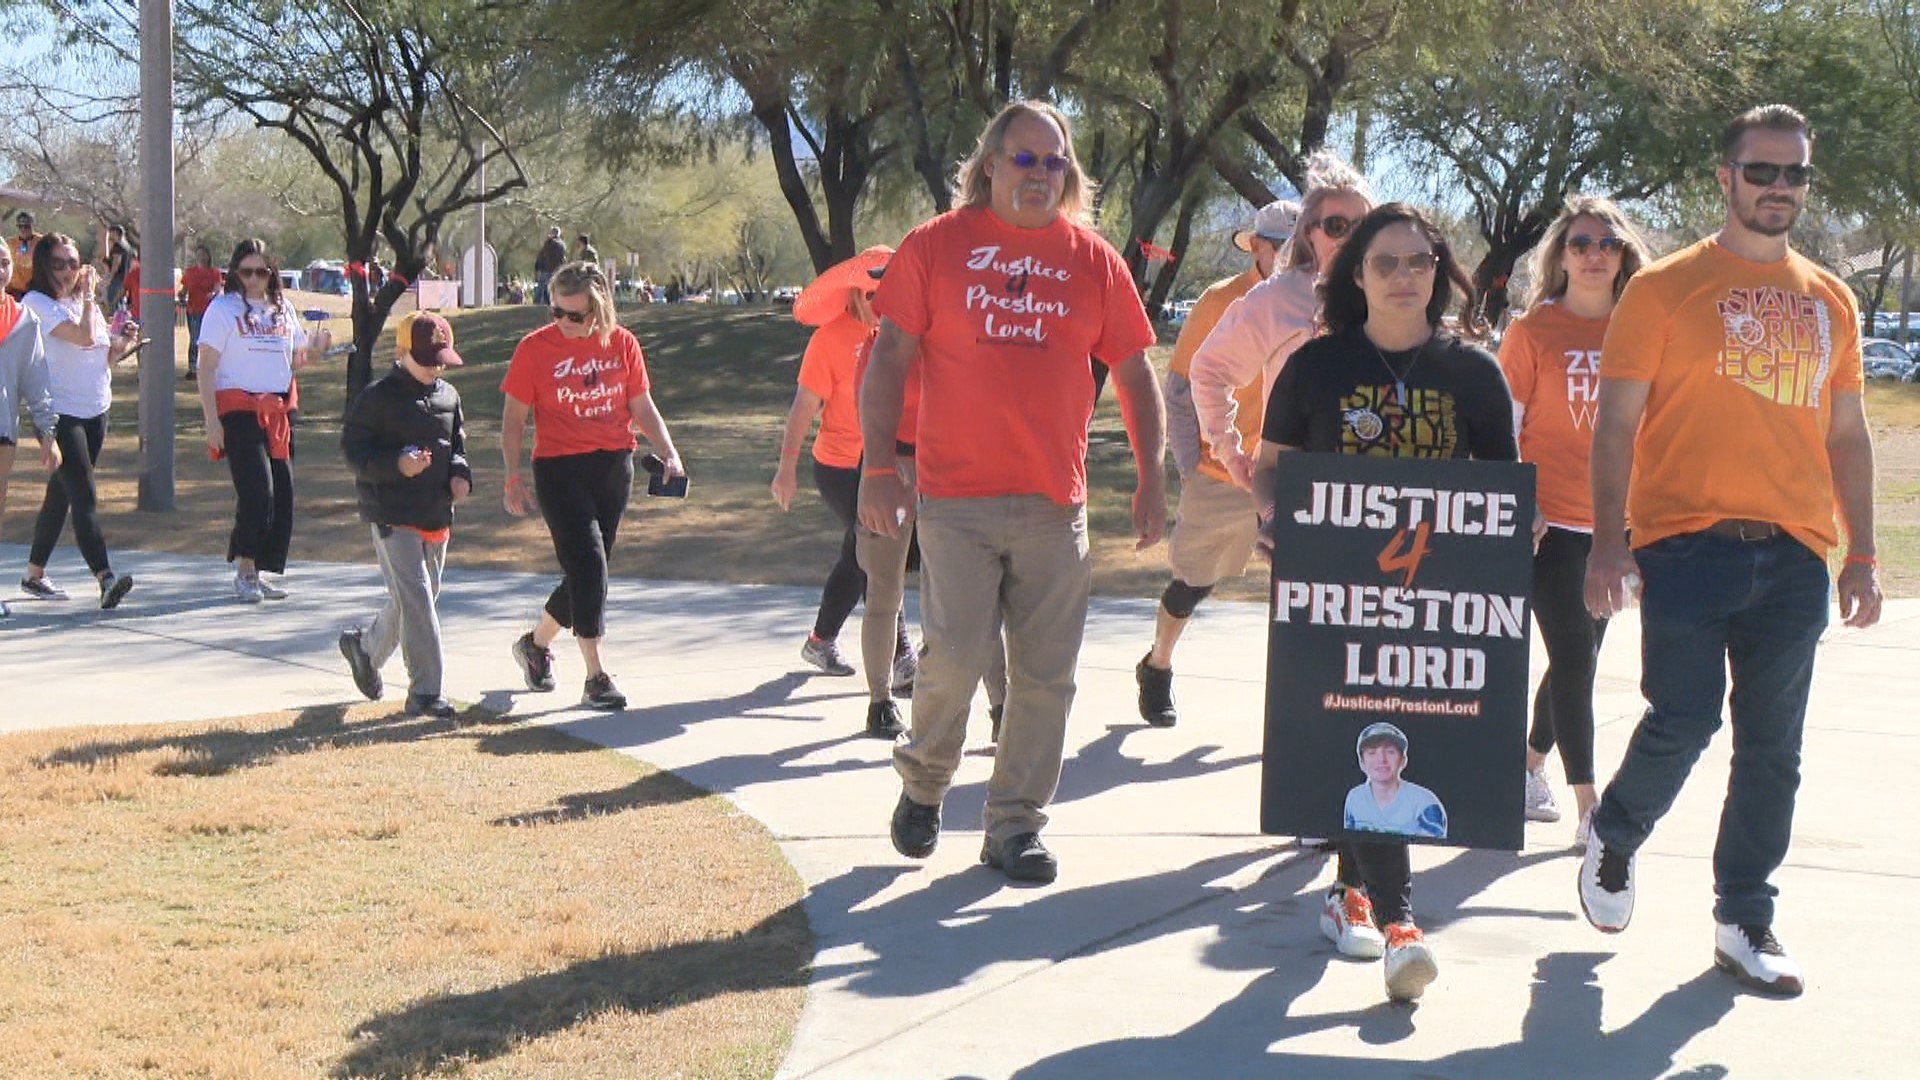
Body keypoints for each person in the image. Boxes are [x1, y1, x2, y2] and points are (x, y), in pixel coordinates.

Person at [1577, 105, 1881, 998]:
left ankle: (1743, 917)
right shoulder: (1664, 288)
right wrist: (1606, 545)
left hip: (1793, 553)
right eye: (1762, 172)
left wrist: (1862, 553)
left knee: (1773, 748)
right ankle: (1618, 834)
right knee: (1685, 716)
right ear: (1725, 177)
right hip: (1683, 543)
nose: (1779, 188)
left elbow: (1851, 437)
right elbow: (1617, 427)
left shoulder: (1832, 299)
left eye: (1795, 175)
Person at [859, 100, 1167, 885]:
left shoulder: (1093, 261)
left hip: (1053, 506)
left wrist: (1151, 476)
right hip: (955, 500)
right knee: (955, 657)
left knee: (1044, 675)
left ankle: (1014, 826)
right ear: (990, 163)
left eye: (1053, 160)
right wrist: (876, 466)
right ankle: (925, 784)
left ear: (1068, 174)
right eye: (1023, 157)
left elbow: (1133, 370)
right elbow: (890, 354)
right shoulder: (936, 245)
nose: (1038, 172)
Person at [1254, 202, 1517, 1002]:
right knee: (1346, 726)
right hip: (1332, 592)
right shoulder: (1315, 366)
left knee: (1391, 736)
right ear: (1356, 275)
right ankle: (1399, 920)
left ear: (1439, 272)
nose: (1405, 276)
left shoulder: (1474, 373)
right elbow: (1270, 466)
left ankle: (1350, 895)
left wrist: (1518, 531)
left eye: (1419, 261)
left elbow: (1500, 489)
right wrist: (1275, 515)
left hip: (1431, 604)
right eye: (1386, 262)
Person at [1164, 157, 1372, 729]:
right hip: (1300, 488)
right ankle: (1303, 757)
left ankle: (1356, 752)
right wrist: (1233, 457)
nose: (1350, 238)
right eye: (1336, 226)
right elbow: (1206, 373)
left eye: (1362, 226)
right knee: (1308, 632)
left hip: (1377, 489)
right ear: (1309, 234)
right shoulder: (1278, 299)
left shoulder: (1392, 293)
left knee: (1368, 638)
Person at [1498, 197, 1653, 842]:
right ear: (1560, 255)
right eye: (1581, 242)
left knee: (1576, 660)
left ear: (1623, 258)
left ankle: (1528, 768)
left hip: (1618, 531)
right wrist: (1520, 499)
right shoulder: (1534, 332)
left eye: (1607, 243)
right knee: (1574, 662)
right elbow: (1503, 425)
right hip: (1549, 527)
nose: (1594, 254)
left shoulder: (1642, 329)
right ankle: (1592, 809)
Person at [1134, 199, 1297, 727]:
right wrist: (1188, 465)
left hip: (1294, 474)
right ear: (1262, 249)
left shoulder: (1322, 304)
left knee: (1301, 590)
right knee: (1193, 583)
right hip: (1221, 472)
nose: (1301, 261)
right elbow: (1181, 390)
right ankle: (1157, 665)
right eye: (1289, 250)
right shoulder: (1221, 301)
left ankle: (1300, 703)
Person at [502, 260, 684, 710]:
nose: (563, 323)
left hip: (612, 465)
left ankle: (536, 644)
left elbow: (641, 404)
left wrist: (669, 450)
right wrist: (511, 477)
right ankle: (596, 676)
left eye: (575, 315)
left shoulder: (622, 344)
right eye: (556, 313)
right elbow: (512, 420)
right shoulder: (533, 349)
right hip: (558, 468)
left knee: (591, 572)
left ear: (599, 310)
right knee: (588, 566)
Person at [772, 247, 917, 719]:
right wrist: (786, 467)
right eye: (876, 292)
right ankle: (900, 659)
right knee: (872, 553)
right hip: (838, 465)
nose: (885, 299)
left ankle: (821, 640)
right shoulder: (830, 340)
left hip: (889, 461)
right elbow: (801, 409)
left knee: (863, 555)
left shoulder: (904, 334)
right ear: (857, 294)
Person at [338, 311, 473, 719]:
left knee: (419, 598)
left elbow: (458, 445)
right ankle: (426, 692)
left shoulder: (449, 396)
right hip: (392, 513)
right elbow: (354, 452)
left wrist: (460, 474)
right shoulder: (377, 398)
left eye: (441, 360)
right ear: (401, 353)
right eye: (427, 358)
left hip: (437, 513)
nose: (436, 367)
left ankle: (364, 649)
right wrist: (397, 463)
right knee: (417, 599)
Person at [198, 239, 331, 602]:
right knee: (257, 489)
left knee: (282, 493)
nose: (254, 280)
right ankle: (244, 570)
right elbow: (206, 366)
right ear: (235, 273)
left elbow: (297, 357)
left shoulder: (282, 309)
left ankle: (258, 569)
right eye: (246, 272)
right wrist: (212, 420)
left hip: (278, 410)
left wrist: (318, 349)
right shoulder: (221, 310)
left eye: (261, 271)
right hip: (238, 407)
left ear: (271, 272)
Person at [19, 234, 141, 609]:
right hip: (60, 413)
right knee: (84, 495)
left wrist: (122, 343)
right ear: (43, 267)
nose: (69, 271)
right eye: (59, 264)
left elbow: (100, 352)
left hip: (95, 409)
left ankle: (34, 574)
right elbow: (82, 335)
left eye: (74, 263)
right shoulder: (36, 303)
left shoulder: (79, 302)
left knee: (61, 495)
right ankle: (105, 578)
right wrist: (90, 294)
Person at [0, 240, 59, 618]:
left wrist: (48, 434)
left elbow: (37, 382)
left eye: (4, 261)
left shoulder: (23, 320)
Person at [1343, 723, 1448, 839]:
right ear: (1361, 762)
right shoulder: (1354, 798)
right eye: (1372, 752)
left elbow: (1431, 852)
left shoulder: (1425, 804)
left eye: (1390, 751)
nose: (1381, 759)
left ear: (1403, 760)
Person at [180, 245, 223, 380]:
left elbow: (217, 288)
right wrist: (181, 295)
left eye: (203, 254)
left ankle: (207, 367)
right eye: (198, 254)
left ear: (208, 256)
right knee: (194, 339)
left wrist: (213, 294)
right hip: (193, 309)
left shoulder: (214, 272)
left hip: (209, 311)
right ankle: (192, 368)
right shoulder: (190, 272)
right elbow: (184, 290)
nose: (201, 257)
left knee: (208, 341)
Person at [9, 212, 41, 299]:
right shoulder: (10, 243)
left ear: (33, 225)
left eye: (27, 226)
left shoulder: (42, 242)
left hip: (35, 292)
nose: (23, 229)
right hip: (14, 291)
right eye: (20, 226)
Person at [102, 224, 133, 311]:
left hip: (117, 279)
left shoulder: (118, 247)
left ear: (115, 233)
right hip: (125, 278)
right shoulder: (128, 247)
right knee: (121, 302)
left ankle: (116, 322)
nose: (110, 235)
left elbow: (116, 263)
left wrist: (110, 278)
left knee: (113, 303)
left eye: (111, 233)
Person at [534, 227, 566, 305]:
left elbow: (542, 255)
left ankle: (538, 303)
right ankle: (550, 302)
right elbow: (562, 258)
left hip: (546, 268)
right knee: (552, 288)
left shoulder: (549, 242)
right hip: (557, 269)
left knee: (542, 286)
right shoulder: (562, 245)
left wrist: (537, 267)